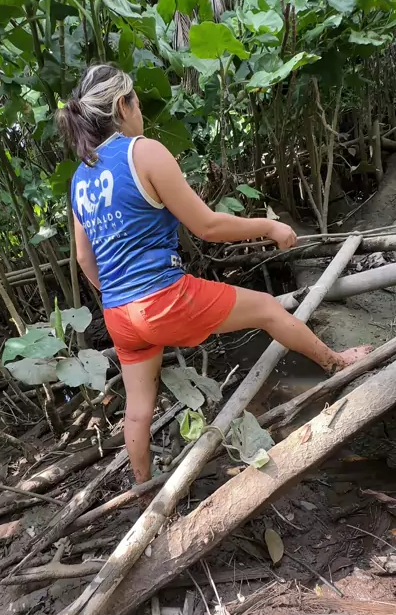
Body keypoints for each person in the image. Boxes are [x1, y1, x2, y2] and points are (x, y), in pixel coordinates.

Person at [57, 64, 371, 485]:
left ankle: (143, 488)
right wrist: (268, 226)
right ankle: (336, 362)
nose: (141, 113)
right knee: (266, 308)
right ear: (121, 106)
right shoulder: (142, 152)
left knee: (138, 409)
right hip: (162, 299)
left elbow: (84, 258)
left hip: (119, 315)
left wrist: (120, 296)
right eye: (138, 104)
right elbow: (206, 226)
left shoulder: (80, 177)